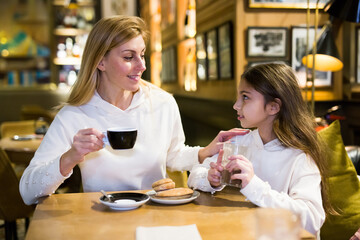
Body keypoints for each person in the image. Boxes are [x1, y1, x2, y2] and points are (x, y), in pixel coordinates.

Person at [19, 15, 247, 205]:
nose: (142, 65)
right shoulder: (75, 114)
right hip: (101, 218)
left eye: (142, 54)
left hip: (156, 213)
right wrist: (69, 157)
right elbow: (28, 192)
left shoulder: (162, 102)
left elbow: (174, 154)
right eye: (129, 57)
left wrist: (204, 152)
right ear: (101, 62)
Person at [188, 63, 335, 236]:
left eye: (245, 97)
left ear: (273, 106)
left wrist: (253, 185)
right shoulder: (240, 141)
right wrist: (211, 179)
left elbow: (311, 220)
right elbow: (193, 176)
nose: (236, 105)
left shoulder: (300, 156)